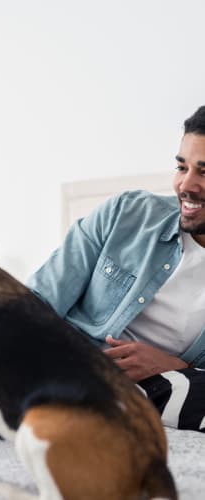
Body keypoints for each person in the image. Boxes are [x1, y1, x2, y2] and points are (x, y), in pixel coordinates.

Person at [27, 105, 205, 433]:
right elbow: (38, 300)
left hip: (146, 393)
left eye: (204, 172)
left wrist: (177, 366)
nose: (186, 186)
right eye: (182, 167)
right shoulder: (127, 213)